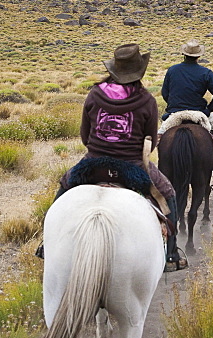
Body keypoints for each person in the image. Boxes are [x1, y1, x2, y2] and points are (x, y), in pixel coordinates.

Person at [39, 43, 186, 272]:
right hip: (133, 167)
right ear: (139, 71)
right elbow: (151, 142)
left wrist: (100, 147)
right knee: (168, 193)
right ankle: (172, 254)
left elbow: (85, 136)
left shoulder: (95, 94)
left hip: (93, 164)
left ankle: (46, 243)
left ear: (114, 69)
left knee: (64, 187)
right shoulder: (146, 100)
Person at [160, 39, 213, 178]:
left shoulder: (172, 70)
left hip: (175, 113)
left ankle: (161, 165)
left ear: (183, 54)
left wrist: (174, 106)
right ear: (198, 56)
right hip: (199, 113)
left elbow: (164, 93)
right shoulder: (206, 72)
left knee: (160, 136)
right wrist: (208, 110)